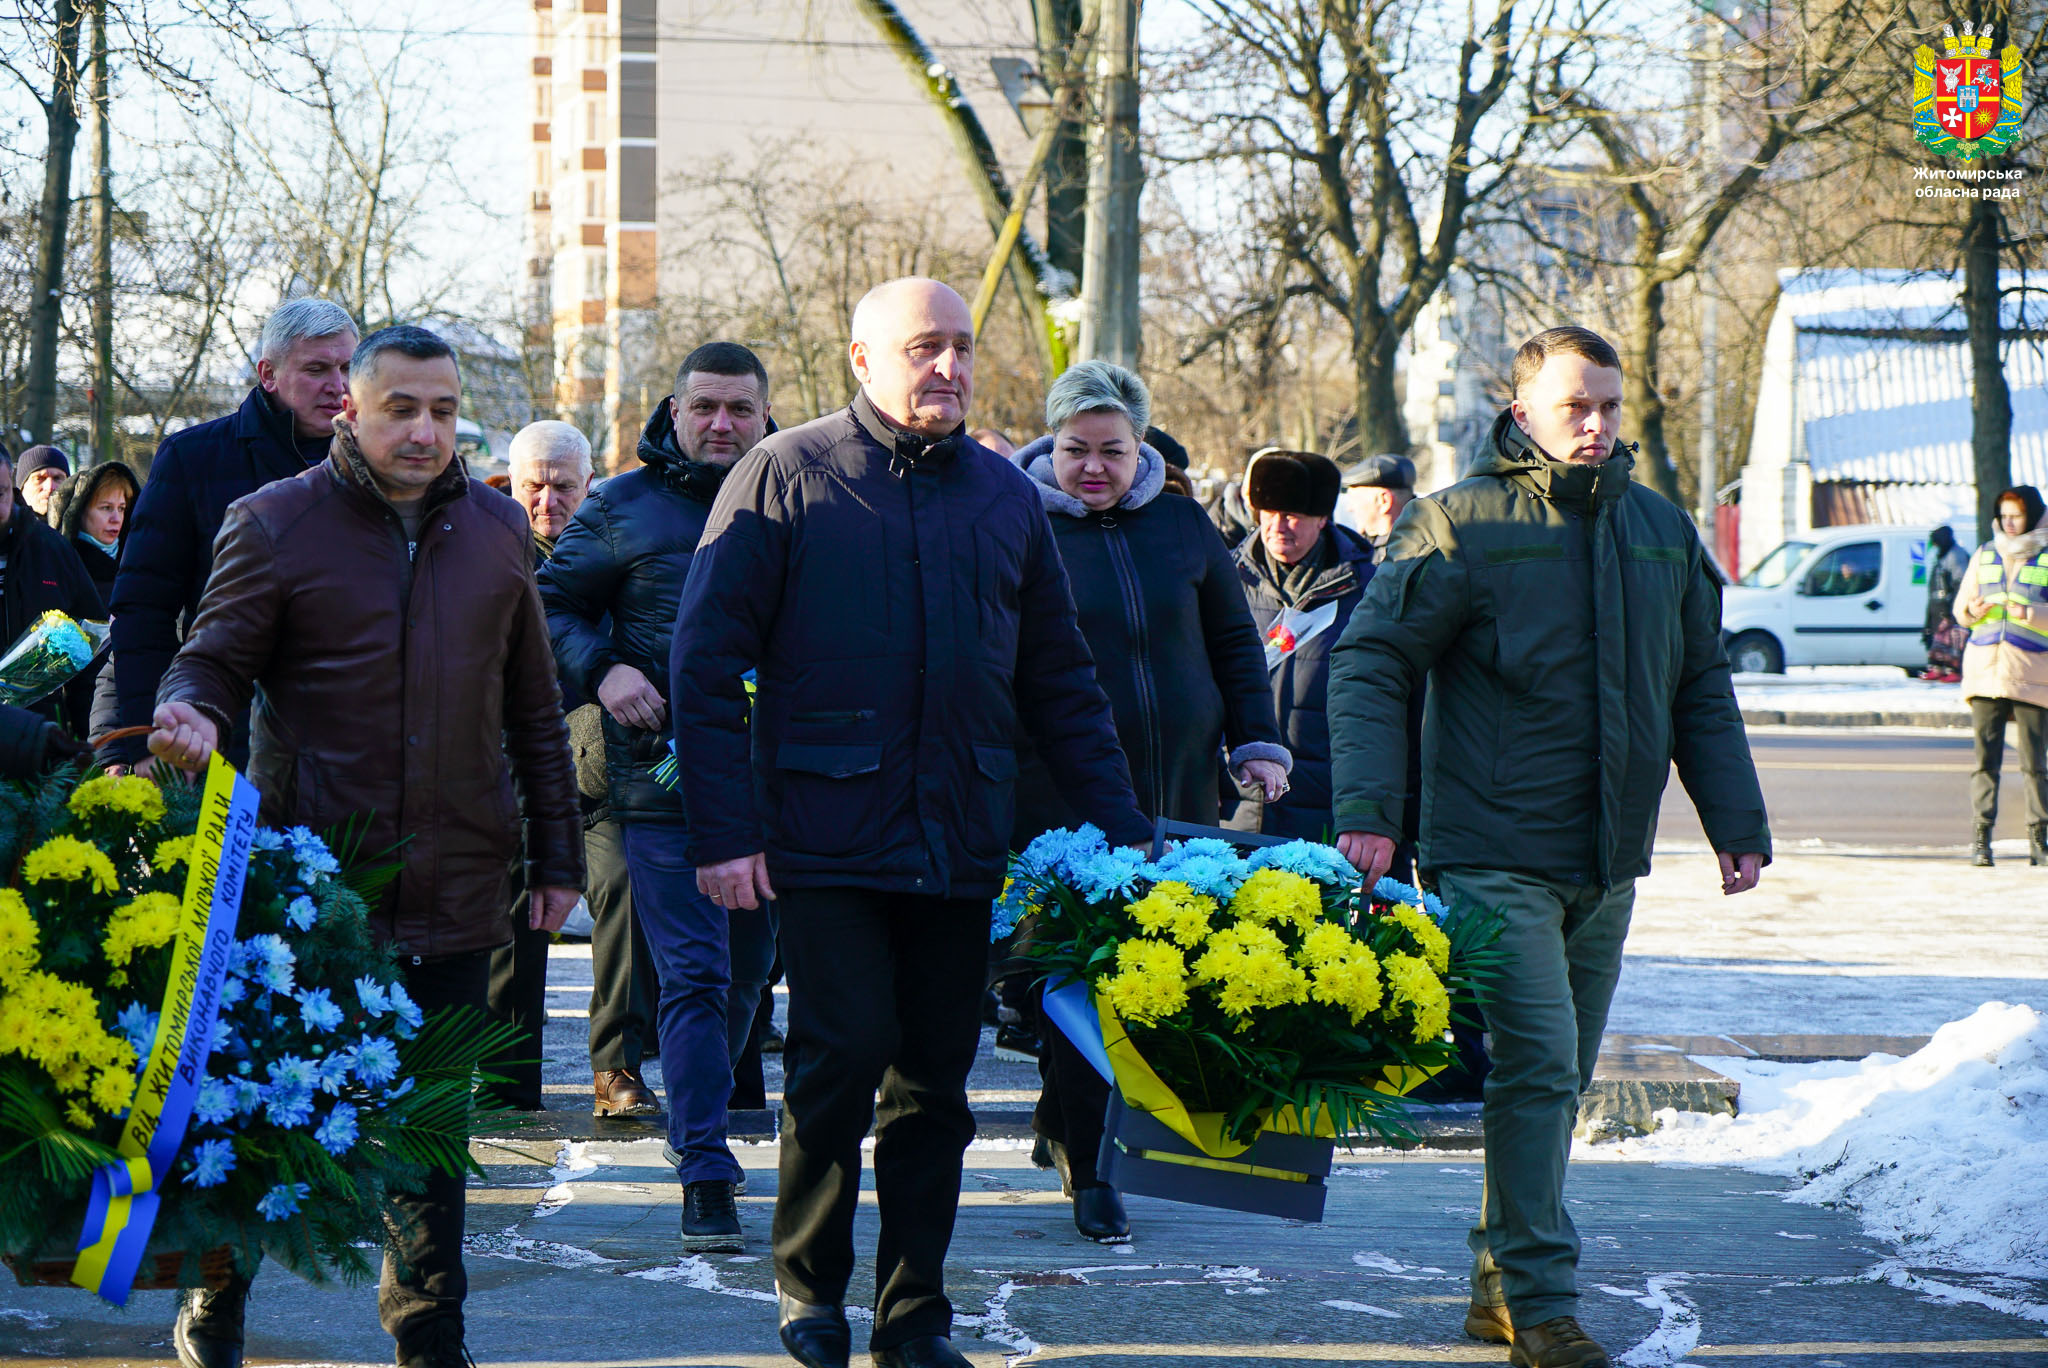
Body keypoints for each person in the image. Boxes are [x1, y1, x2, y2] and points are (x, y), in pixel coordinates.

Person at [670, 277, 1149, 1368]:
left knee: (936, 1084)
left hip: (958, 839)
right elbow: (703, 668)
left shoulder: (1001, 496)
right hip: (823, 837)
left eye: (961, 347)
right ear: (859, 358)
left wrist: (1122, 823)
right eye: (922, 347)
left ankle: (913, 1314)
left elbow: (1059, 682)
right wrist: (723, 834)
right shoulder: (784, 475)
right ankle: (811, 1293)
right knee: (836, 1066)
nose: (947, 367)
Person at [1327, 325, 1770, 1368]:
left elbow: (1698, 684)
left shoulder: (1659, 531)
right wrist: (1370, 811)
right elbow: (1371, 665)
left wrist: (1734, 824)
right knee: (1534, 1066)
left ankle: (1492, 1286)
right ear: (1519, 409)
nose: (1595, 424)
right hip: (1488, 848)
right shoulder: (1458, 524)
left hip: (1606, 856)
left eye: (1608, 406)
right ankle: (1540, 1302)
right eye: (1574, 405)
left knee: (1557, 1080)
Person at [148, 325, 584, 1368]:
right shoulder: (274, 522)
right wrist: (185, 713)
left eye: (443, 412)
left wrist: (557, 854)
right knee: (259, 1114)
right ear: (352, 405)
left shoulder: (493, 531)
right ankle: (218, 1298)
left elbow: (533, 707)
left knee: (430, 1134)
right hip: (312, 898)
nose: (426, 431)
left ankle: (431, 1333)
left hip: (459, 877)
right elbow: (210, 660)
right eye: (404, 409)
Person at [1011, 361, 1289, 1242]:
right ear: (1050, 447)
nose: (1093, 467)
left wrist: (1256, 738)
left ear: (1141, 450)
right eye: (1075, 449)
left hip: (1175, 790)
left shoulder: (1180, 524)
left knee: (1150, 965)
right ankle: (1093, 1168)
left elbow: (1233, 642)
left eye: (1112, 450)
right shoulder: (1021, 525)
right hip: (1058, 788)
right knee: (1078, 971)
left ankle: (1070, 1128)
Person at [541, 342, 781, 1242]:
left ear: (765, 415)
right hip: (664, 780)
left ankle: (703, 1117)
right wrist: (602, 672)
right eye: (705, 407)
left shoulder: (802, 494)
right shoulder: (619, 507)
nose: (722, 424)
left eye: (740, 409)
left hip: (776, 786)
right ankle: (706, 1165)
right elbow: (545, 603)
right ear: (672, 411)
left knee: (749, 978)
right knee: (694, 972)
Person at [106, 296, 358, 770]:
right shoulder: (193, 459)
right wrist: (149, 740)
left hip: (352, 748)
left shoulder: (381, 467)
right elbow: (144, 610)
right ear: (268, 374)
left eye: (347, 367)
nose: (338, 386)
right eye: (317, 369)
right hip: (227, 737)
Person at [481, 421, 628, 1115]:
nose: (548, 500)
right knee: (514, 911)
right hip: (507, 768)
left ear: (589, 484)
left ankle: (617, 1070)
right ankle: (509, 1080)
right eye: (533, 486)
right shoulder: (481, 555)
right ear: (511, 486)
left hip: (599, 774)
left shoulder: (618, 556)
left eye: (563, 485)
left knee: (625, 886)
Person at [1227, 447, 1377, 840]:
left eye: (1293, 515)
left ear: (1323, 518)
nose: (1278, 526)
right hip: (1235, 803)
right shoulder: (1224, 579)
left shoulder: (1367, 591)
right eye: (1269, 513)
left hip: (1323, 805)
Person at [1953, 485, 2048, 868]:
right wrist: (1972, 610)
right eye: (2004, 515)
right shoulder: (1985, 553)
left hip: (2033, 673)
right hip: (1985, 672)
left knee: (2034, 764)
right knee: (1984, 762)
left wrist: (2032, 615)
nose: (2009, 523)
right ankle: (1981, 839)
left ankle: (2039, 839)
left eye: (2016, 516)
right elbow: (1961, 610)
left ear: (2034, 516)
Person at [0, 446, 107, 736]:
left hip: (42, 743)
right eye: (40, 478)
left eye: (1, 494)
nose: (51, 487)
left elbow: (95, 655)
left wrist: (95, 744)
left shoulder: (53, 551)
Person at [1340, 453, 1416, 563]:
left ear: (1384, 501)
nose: (1349, 508)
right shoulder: (1361, 547)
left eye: (1354, 499)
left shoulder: (1413, 557)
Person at [1921, 524, 1971, 683]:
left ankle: (1954, 670)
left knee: (1953, 640)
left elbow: (1960, 581)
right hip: (1938, 605)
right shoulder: (1942, 555)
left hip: (1950, 605)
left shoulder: (1956, 555)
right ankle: (1938, 667)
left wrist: (1954, 606)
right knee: (1938, 638)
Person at [14, 445, 70, 519]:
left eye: (57, 478)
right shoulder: (6, 528)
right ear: (22, 488)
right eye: (39, 478)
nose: (50, 487)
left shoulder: (85, 527)